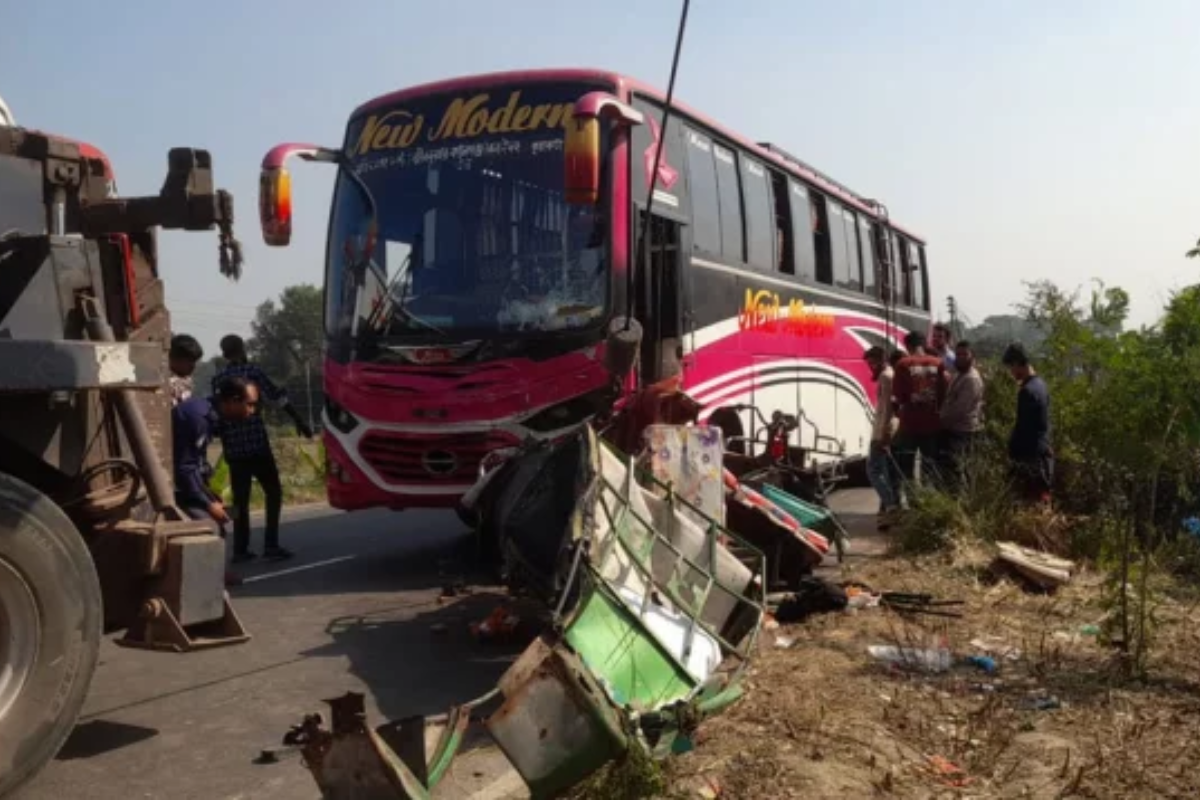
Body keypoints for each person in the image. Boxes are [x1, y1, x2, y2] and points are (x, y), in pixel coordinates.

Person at [212, 334, 312, 562]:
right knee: (273, 492)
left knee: (239, 501)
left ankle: (240, 548)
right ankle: (271, 544)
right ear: (242, 349)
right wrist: (299, 421)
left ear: (224, 354)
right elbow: (278, 398)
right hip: (257, 444)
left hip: (234, 450)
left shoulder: (218, 379)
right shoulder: (253, 372)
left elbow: (219, 415)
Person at [169, 334, 240, 587]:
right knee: (209, 521)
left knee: (219, 511)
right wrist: (206, 502)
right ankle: (210, 575)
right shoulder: (166, 383)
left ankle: (220, 570)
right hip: (177, 459)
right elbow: (184, 463)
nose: (192, 367)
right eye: (189, 361)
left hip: (190, 457)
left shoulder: (186, 384)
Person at [892, 330, 948, 488]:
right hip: (932, 424)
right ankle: (929, 499)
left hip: (909, 425)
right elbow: (944, 394)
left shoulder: (902, 364)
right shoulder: (938, 363)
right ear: (924, 344)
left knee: (907, 468)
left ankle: (913, 500)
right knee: (929, 468)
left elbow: (898, 396)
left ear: (907, 346)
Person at [1001, 343, 1053, 504]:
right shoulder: (1041, 385)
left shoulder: (1027, 391)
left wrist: (1012, 452)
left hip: (1030, 459)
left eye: (1011, 367)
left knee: (1028, 503)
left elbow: (1024, 429)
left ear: (1017, 363)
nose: (1011, 372)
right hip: (1042, 455)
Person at [938, 340, 985, 492]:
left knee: (959, 472)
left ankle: (961, 500)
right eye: (958, 354)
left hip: (964, 431)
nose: (960, 358)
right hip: (954, 429)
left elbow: (960, 409)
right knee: (952, 471)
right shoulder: (959, 374)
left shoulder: (971, 378)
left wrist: (941, 420)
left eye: (965, 354)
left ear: (972, 356)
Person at [863, 346, 900, 528]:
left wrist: (882, 435)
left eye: (872, 363)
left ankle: (891, 505)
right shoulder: (889, 374)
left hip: (882, 431)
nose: (871, 367)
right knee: (886, 472)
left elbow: (887, 408)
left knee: (873, 470)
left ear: (880, 360)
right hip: (886, 430)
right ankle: (887, 510)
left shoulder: (886, 376)